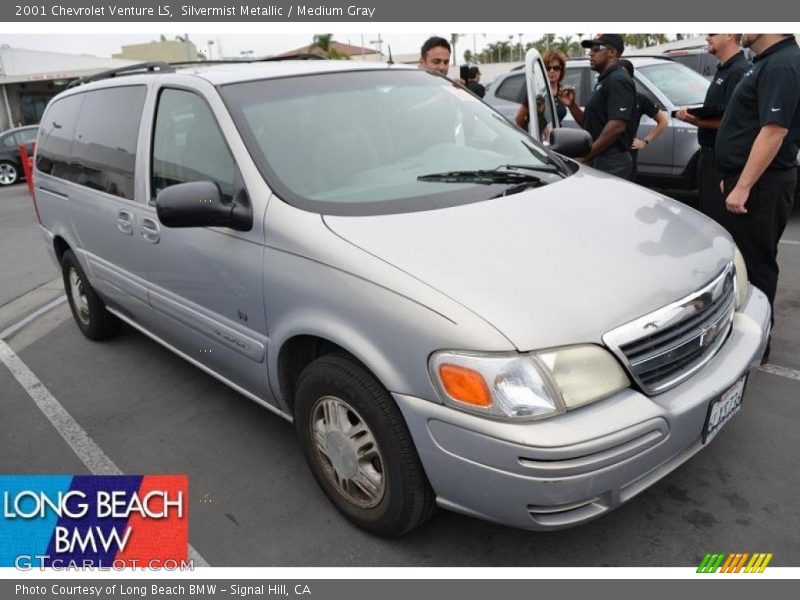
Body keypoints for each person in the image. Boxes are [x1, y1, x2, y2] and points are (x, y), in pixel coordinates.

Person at [714, 34, 800, 362]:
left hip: (764, 186)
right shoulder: (766, 61)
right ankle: (742, 339)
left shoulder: (783, 63)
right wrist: (732, 177)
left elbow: (774, 130)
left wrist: (743, 185)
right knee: (742, 263)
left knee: (756, 266)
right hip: (751, 182)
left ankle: (755, 347)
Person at [675, 34, 749, 225]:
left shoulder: (739, 70)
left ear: (729, 34)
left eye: (713, 32)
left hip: (722, 159)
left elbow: (734, 120)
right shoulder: (724, 68)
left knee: (720, 223)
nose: (707, 37)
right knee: (708, 216)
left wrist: (696, 121)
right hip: (708, 156)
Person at [560, 34, 636, 178]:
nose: (590, 54)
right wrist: (572, 106)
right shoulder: (605, 80)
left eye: (596, 49)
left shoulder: (618, 79)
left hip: (612, 161)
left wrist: (586, 156)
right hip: (600, 158)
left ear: (612, 52)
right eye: (591, 50)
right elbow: (590, 124)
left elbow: (617, 126)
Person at [618, 59, 669, 181]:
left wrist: (645, 142)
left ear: (630, 77)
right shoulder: (606, 96)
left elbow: (663, 121)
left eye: (622, 74)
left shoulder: (639, 99)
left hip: (628, 155)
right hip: (607, 155)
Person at [515, 50, 569, 139]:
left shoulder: (561, 91)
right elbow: (519, 118)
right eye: (548, 68)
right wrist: (528, 139)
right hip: (540, 142)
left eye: (556, 68)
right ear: (542, 70)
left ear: (561, 70)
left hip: (556, 139)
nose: (552, 71)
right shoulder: (537, 91)